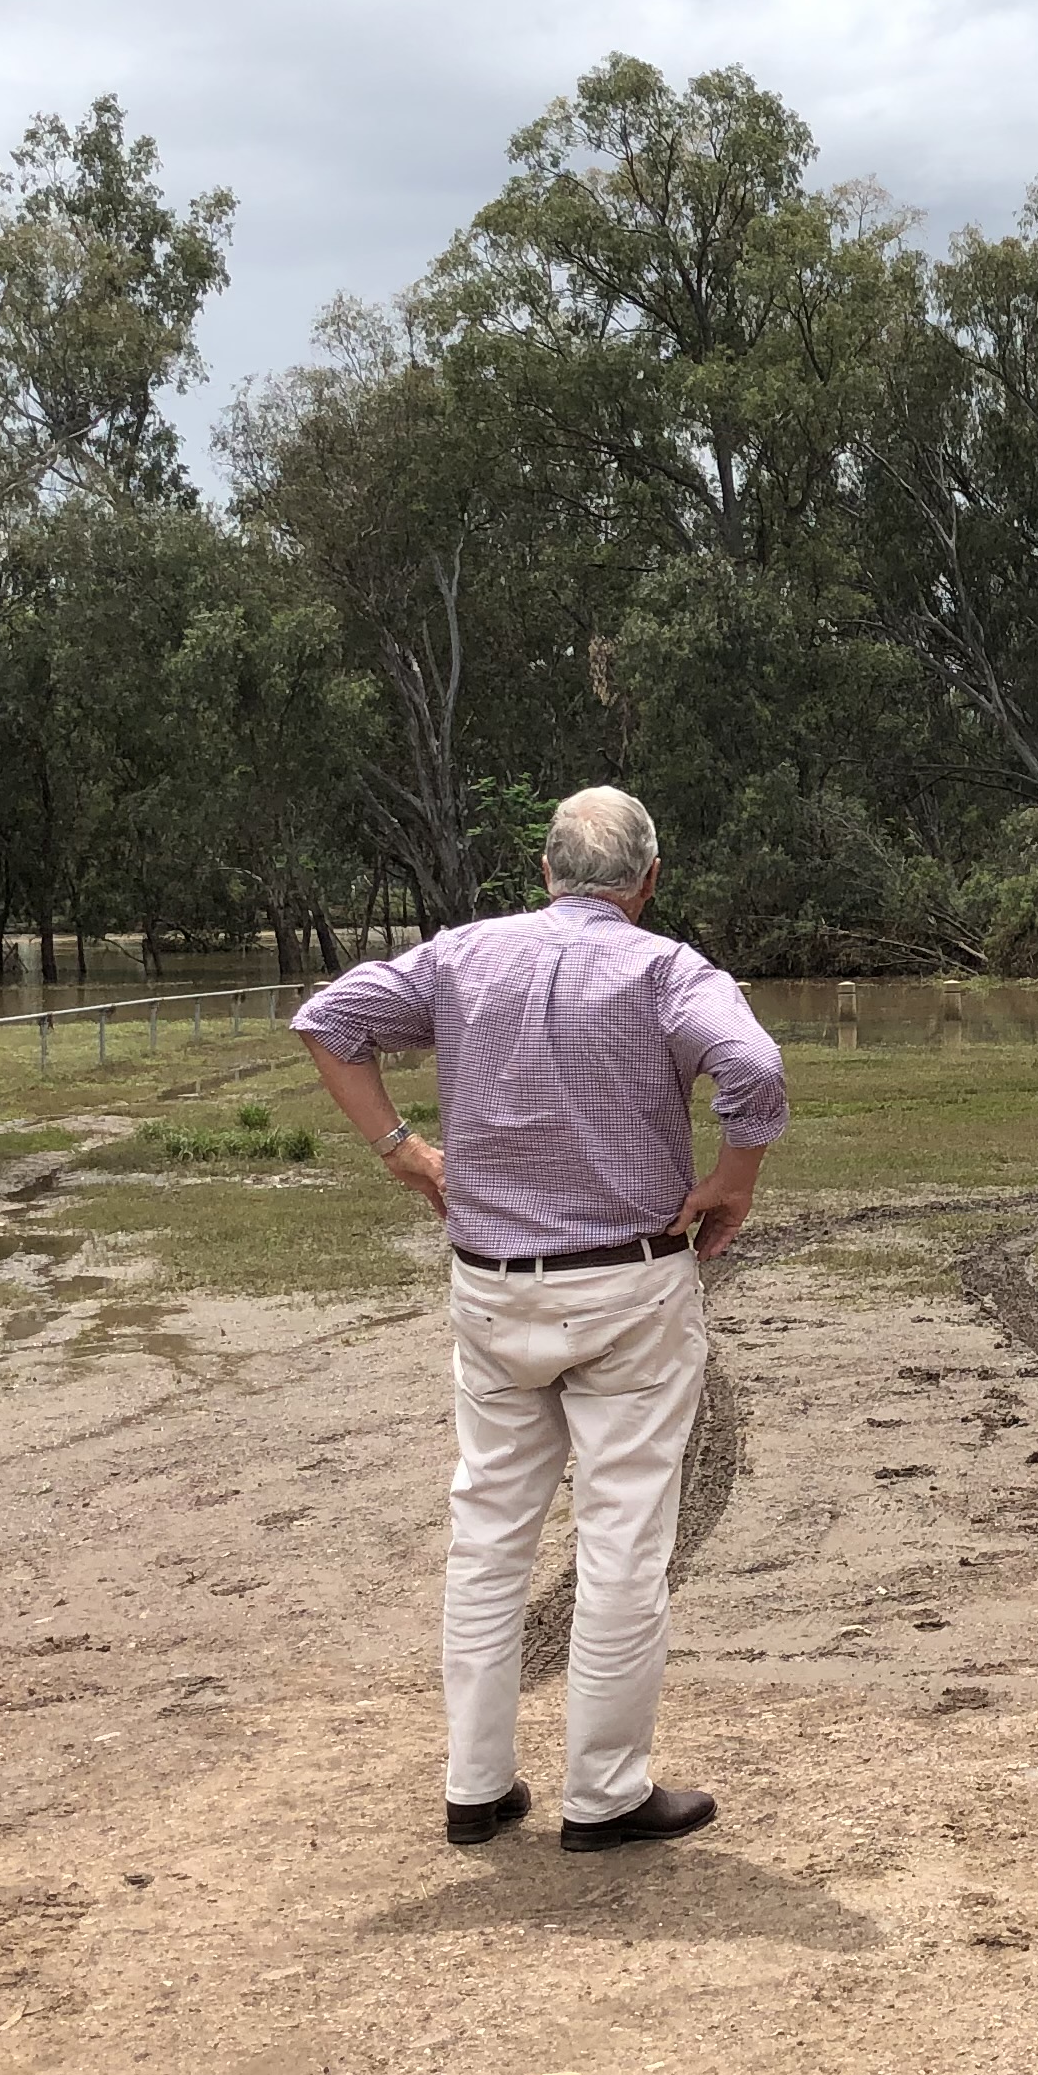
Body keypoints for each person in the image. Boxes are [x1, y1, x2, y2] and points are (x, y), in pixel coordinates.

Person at [293, 786, 786, 1855]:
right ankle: (602, 1792)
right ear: (647, 880)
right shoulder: (665, 969)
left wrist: (400, 1150)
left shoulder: (462, 957)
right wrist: (734, 1177)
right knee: (621, 1542)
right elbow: (750, 1066)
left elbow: (329, 1021)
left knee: (488, 1534)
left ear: (546, 870)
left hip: (491, 1282)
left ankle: (476, 1783)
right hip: (626, 1285)